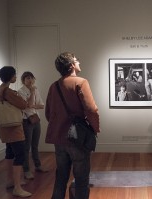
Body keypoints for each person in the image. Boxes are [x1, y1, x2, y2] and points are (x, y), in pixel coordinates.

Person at [45, 52, 100, 199]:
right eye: (77, 60)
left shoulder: (54, 86)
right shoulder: (81, 82)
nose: (79, 62)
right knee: (81, 179)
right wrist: (95, 128)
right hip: (77, 138)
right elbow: (92, 109)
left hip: (59, 138)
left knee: (61, 177)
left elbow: (48, 113)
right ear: (71, 66)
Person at [0, 66, 31, 197]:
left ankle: (10, 180)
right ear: (10, 76)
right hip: (14, 128)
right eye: (15, 75)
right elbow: (23, 105)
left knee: (9, 153)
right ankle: (17, 187)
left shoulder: (1, 89)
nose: (16, 77)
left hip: (6, 128)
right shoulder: (8, 91)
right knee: (20, 155)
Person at [18, 71, 47, 180]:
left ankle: (38, 165)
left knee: (35, 145)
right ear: (23, 81)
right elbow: (28, 105)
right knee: (26, 146)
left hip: (35, 119)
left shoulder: (35, 89)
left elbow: (42, 105)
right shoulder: (20, 92)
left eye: (31, 78)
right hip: (26, 121)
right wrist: (31, 93)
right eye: (27, 78)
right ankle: (26, 170)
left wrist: (33, 104)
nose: (30, 80)